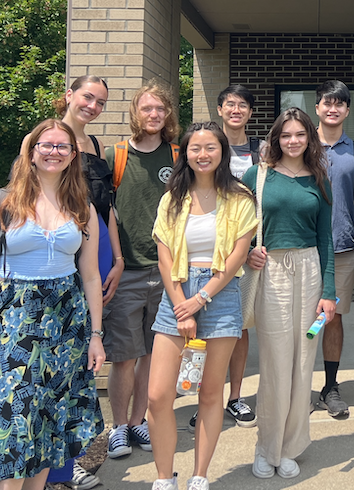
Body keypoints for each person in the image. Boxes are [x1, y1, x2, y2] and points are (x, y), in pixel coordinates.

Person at [0, 119, 105, 488]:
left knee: (52, 423)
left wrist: (96, 334)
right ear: (31, 151)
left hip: (67, 320)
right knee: (15, 423)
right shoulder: (2, 202)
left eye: (62, 146)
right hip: (16, 319)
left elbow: (90, 275)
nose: (54, 152)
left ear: (73, 155)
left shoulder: (82, 206)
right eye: (46, 145)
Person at [147, 122, 258, 490]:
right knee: (159, 395)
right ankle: (164, 477)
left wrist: (201, 299)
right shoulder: (172, 198)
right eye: (196, 148)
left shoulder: (241, 197)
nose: (203, 154)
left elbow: (238, 255)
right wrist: (183, 305)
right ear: (185, 153)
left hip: (220, 295)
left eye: (211, 147)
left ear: (222, 152)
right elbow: (164, 257)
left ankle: (200, 475)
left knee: (211, 392)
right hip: (176, 294)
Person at [241, 108, 336, 479]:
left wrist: (328, 292)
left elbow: (325, 239)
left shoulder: (319, 179)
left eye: (300, 134)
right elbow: (238, 224)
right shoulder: (257, 175)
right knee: (276, 362)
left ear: (309, 138)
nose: (293, 141)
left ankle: (292, 445)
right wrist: (248, 249)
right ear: (276, 139)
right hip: (271, 272)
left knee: (303, 361)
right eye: (286, 135)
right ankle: (267, 446)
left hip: (310, 269)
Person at [102, 80, 181, 459]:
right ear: (136, 112)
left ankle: (138, 422)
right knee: (124, 356)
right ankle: (118, 427)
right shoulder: (115, 155)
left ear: (168, 115)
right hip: (129, 270)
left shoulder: (177, 154)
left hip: (167, 272)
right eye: (147, 109)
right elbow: (106, 214)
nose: (154, 115)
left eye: (160, 110)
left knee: (152, 353)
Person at [53, 75, 123, 490]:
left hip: (96, 256)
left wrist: (117, 258)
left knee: (80, 362)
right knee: (59, 363)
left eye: (100, 102)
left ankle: (70, 458)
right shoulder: (47, 138)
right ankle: (59, 464)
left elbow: (107, 207)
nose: (93, 107)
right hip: (59, 256)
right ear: (69, 96)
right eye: (87, 98)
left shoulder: (97, 147)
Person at [188, 85, 262, 431]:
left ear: (250, 112)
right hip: (203, 255)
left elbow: (267, 200)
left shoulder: (260, 152)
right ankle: (207, 399)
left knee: (239, 326)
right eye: (230, 104)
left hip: (244, 254)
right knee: (203, 329)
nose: (236, 110)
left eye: (243, 105)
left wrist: (254, 248)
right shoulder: (203, 147)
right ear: (219, 109)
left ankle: (234, 398)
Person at [313, 80, 354, 419]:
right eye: (327, 102)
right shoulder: (301, 145)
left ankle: (330, 386)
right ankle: (297, 386)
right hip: (304, 245)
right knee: (301, 319)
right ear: (317, 107)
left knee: (332, 318)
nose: (332, 108)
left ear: (347, 110)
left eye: (339, 103)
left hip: (344, 247)